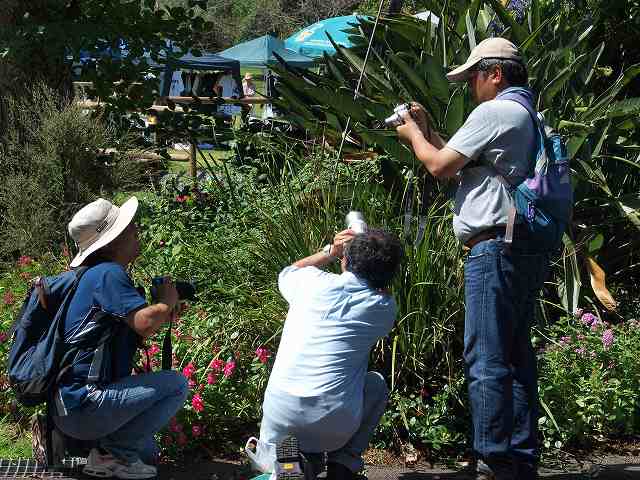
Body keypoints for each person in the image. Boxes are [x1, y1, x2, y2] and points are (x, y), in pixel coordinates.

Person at [396, 38, 551, 480]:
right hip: (524, 245)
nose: (471, 87)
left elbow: (441, 167)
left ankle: (490, 461)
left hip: (493, 248)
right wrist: (426, 132)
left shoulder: (495, 111)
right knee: (517, 356)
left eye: (473, 77)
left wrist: (411, 136)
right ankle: (519, 461)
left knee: (486, 358)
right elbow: (467, 162)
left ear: (495, 73)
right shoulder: (527, 113)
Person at [51, 196, 188, 479]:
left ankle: (109, 453)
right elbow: (145, 324)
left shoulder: (94, 275)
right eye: (130, 227)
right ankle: (111, 454)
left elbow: (130, 327)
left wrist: (163, 310)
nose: (136, 230)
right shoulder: (107, 274)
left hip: (73, 407)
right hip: (85, 404)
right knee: (176, 384)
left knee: (147, 454)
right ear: (115, 240)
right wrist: (164, 303)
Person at [258, 227, 404, 480]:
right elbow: (383, 291)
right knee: (376, 384)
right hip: (335, 425)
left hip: (281, 417)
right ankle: (342, 465)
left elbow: (289, 271)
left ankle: (294, 466)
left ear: (346, 259)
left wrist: (330, 252)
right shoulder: (383, 308)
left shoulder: (309, 282)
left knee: (290, 444)